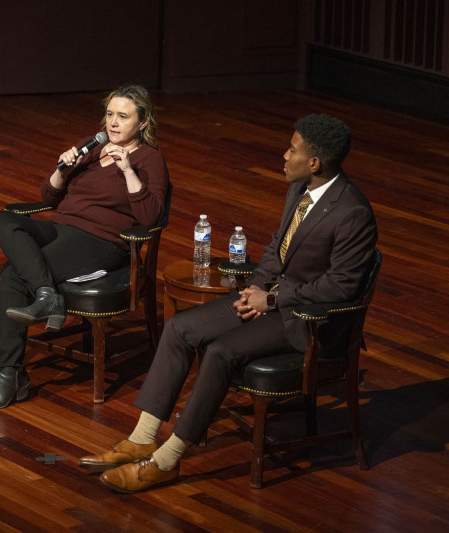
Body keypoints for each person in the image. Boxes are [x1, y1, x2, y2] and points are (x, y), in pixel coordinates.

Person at [78, 113, 378, 492]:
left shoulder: (353, 212)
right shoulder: (299, 188)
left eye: (292, 149)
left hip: (307, 320)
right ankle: (142, 437)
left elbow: (341, 285)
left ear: (315, 162)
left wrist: (270, 298)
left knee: (220, 351)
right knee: (180, 327)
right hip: (270, 300)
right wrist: (254, 289)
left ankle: (168, 460)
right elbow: (276, 249)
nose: (284, 155)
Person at [0, 84, 170, 410]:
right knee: (5, 219)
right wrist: (61, 169)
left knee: (12, 273)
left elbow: (151, 216)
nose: (113, 123)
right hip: (61, 227)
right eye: (110, 114)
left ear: (144, 122)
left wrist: (127, 171)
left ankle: (9, 376)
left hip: (101, 242)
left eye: (123, 116)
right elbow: (48, 198)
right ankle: (47, 296)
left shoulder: (150, 160)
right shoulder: (92, 148)